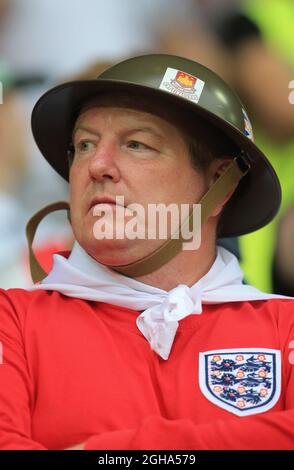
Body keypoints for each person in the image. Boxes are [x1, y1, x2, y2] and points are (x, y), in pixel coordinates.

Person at [0, 54, 293, 450]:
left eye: (137, 144)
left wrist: (107, 451)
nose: (97, 165)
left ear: (220, 181)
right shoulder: (11, 320)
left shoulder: (285, 326)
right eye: (84, 144)